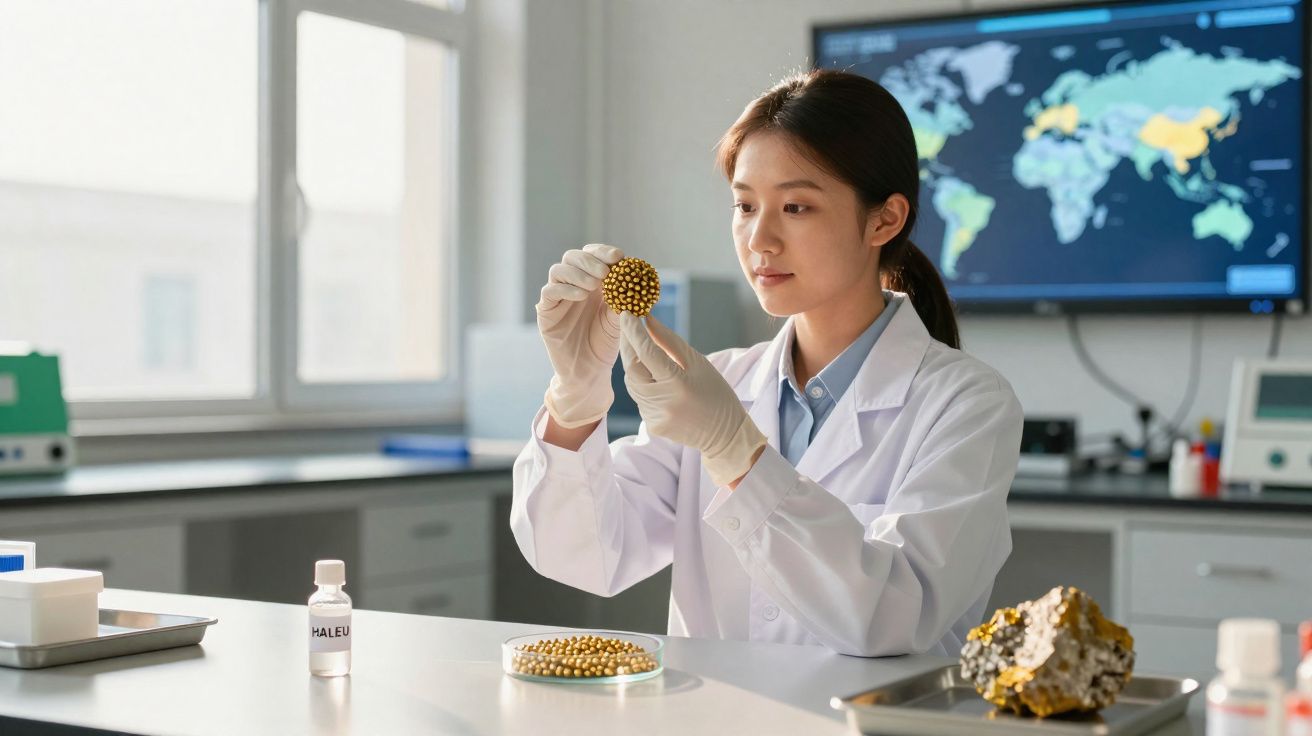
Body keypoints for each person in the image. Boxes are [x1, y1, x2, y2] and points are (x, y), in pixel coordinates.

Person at [510, 68, 1024, 657]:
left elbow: (892, 616)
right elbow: (583, 556)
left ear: (884, 219)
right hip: (717, 705)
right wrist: (575, 395)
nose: (759, 239)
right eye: (745, 205)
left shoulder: (967, 405)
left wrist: (736, 453)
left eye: (796, 206)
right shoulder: (721, 384)